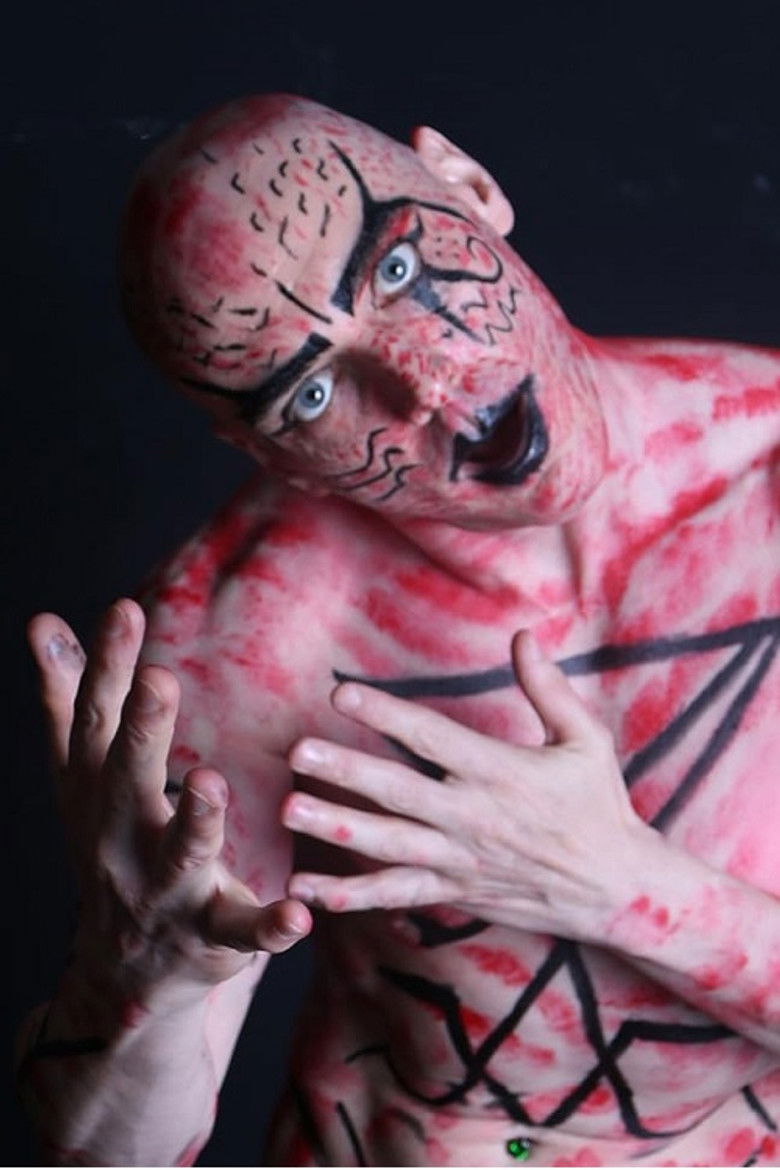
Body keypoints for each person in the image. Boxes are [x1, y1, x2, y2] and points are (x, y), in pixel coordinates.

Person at [18, 92, 780, 1166]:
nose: (421, 389)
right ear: (268, 454)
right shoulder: (240, 639)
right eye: (314, 394)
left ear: (469, 187)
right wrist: (142, 974)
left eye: (398, 274)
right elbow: (110, 1156)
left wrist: (616, 883)